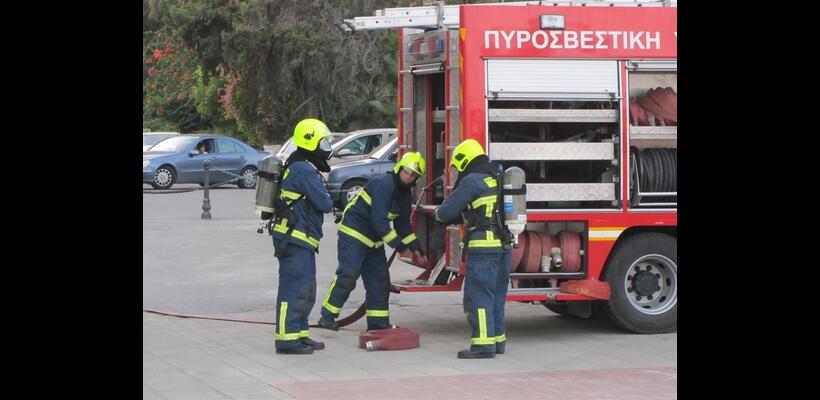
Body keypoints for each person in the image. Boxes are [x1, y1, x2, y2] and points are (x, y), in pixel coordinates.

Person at [317, 152, 428, 331]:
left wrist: (417, 248)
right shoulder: (385, 185)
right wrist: (399, 246)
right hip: (354, 232)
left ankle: (378, 322)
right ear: (399, 168)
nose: (408, 177)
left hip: (374, 239)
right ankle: (327, 316)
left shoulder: (405, 195)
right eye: (407, 171)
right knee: (349, 273)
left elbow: (402, 224)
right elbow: (379, 221)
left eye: (413, 175)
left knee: (379, 280)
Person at [433, 139, 511, 359]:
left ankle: (483, 345)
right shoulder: (498, 176)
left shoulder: (473, 180)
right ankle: (497, 341)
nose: (458, 172)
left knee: (479, 297)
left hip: (483, 250)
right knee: (496, 297)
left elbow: (447, 212)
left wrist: (436, 214)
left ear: (464, 160)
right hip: (504, 248)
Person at [268, 118, 334, 355]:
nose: (327, 148)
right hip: (294, 238)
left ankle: (300, 334)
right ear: (310, 141)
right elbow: (325, 203)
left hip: (301, 238)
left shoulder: (302, 165)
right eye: (323, 142)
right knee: (294, 289)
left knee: (306, 289)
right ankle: (286, 340)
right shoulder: (303, 169)